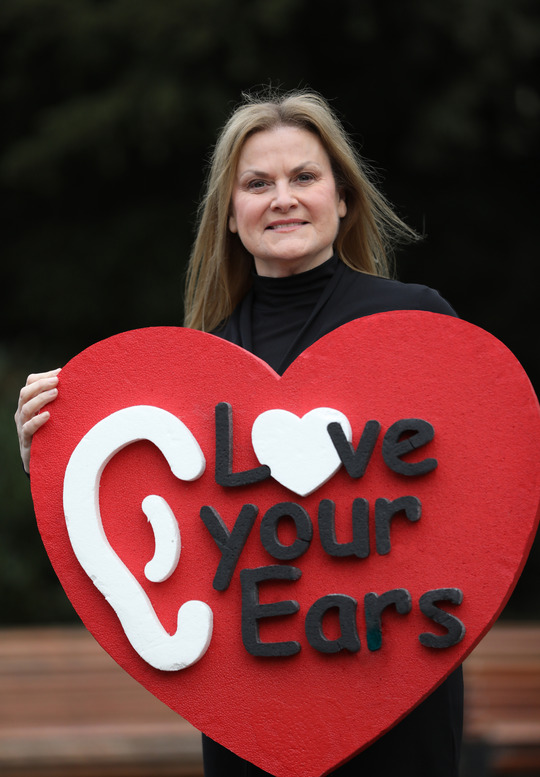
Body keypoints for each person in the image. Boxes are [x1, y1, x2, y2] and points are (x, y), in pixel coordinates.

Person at [15, 89, 463, 776]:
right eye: (257, 183)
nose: (282, 197)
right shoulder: (198, 371)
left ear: (342, 199)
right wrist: (51, 455)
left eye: (303, 177)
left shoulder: (415, 328)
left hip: (398, 691)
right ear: (229, 214)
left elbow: (479, 487)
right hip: (253, 704)